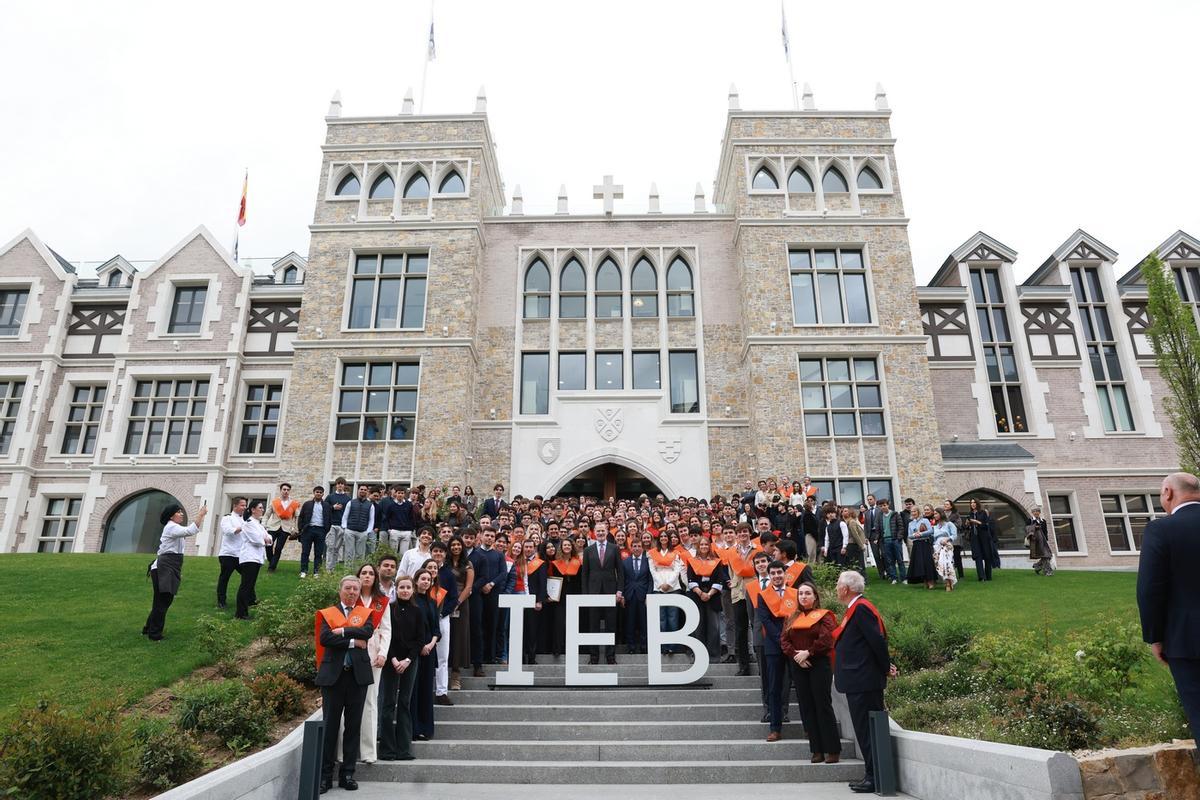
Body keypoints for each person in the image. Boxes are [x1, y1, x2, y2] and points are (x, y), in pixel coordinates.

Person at [1137, 472, 1200, 742]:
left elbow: (1150, 588)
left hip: (1187, 641)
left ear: (1168, 493)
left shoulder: (1161, 530)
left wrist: (1155, 637)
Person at [833, 570, 895, 794]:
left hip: (863, 681)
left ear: (846, 589)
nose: (836, 588)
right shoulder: (857, 608)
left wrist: (886, 667)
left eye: (838, 585)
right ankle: (872, 774)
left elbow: (877, 641)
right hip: (859, 679)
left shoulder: (860, 608)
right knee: (863, 730)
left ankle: (874, 777)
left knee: (867, 731)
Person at [314, 575, 376, 793]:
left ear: (359, 593)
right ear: (340, 590)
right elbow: (325, 639)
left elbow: (367, 633)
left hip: (357, 677)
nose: (352, 592)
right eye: (348, 588)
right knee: (330, 726)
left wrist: (342, 631)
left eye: (355, 589)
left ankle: (347, 773)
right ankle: (324, 776)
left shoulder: (365, 614)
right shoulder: (327, 614)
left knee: (353, 727)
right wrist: (352, 640)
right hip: (333, 677)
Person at [781, 581, 840, 764]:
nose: (804, 597)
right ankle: (816, 750)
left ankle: (832, 749)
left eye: (807, 593)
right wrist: (796, 656)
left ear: (815, 596)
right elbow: (784, 640)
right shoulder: (791, 617)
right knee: (807, 707)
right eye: (801, 594)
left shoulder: (824, 616)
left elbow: (827, 638)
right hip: (799, 665)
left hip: (819, 664)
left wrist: (809, 652)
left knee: (822, 705)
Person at [143, 501, 208, 640]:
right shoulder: (171, 527)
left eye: (181, 511)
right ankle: (154, 634)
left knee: (162, 601)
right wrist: (200, 515)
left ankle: (149, 628)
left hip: (168, 566)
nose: (181, 514)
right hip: (163, 567)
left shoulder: (173, 527)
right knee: (163, 601)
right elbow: (190, 531)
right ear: (171, 516)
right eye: (178, 512)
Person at [379, 575, 425, 762]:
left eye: (408, 587)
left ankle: (404, 749)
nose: (405, 590)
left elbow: (420, 639)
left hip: (410, 662)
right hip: (392, 661)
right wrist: (394, 659)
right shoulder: (389, 610)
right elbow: (386, 636)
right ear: (396, 590)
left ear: (412, 589)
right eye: (401, 587)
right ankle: (387, 750)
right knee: (388, 703)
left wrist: (407, 660)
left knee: (404, 703)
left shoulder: (417, 611)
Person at [348, 563, 390, 764]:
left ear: (375, 578)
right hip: (352, 650)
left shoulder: (382, 601)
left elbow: (387, 630)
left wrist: (383, 653)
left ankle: (368, 752)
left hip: (374, 651)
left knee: (371, 701)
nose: (367, 576)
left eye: (370, 573)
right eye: (363, 573)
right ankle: (344, 752)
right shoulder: (351, 598)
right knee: (348, 700)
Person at [756, 561, 798, 742]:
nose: (776, 576)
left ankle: (808, 728)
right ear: (769, 575)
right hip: (773, 646)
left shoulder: (796, 593)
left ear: (785, 573)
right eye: (772, 573)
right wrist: (781, 640)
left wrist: (790, 640)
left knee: (801, 687)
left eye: (779, 573)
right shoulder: (763, 595)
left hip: (796, 645)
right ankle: (775, 727)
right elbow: (765, 620)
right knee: (774, 687)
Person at [581, 525, 623, 665]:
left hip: (611, 592)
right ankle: (594, 657)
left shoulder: (615, 548)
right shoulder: (588, 550)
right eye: (598, 531)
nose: (600, 533)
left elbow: (620, 572)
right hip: (593, 593)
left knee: (611, 625)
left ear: (606, 532)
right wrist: (586, 594)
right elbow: (585, 574)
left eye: (602, 531)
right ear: (594, 533)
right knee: (593, 626)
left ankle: (610, 656)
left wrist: (619, 590)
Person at [686, 537, 727, 661]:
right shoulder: (692, 561)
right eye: (701, 544)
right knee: (698, 626)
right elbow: (691, 580)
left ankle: (714, 656)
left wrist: (709, 594)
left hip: (712, 596)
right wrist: (700, 593)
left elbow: (720, 580)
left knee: (714, 626)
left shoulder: (717, 561)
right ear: (698, 546)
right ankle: (699, 655)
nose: (704, 546)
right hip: (697, 596)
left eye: (706, 544)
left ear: (709, 546)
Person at [412, 567, 441, 741]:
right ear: (416, 581)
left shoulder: (432, 602)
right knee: (414, 690)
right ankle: (414, 728)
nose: (425, 582)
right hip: (415, 651)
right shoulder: (411, 600)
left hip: (429, 650)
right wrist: (420, 645)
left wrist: (430, 644)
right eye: (422, 579)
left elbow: (436, 629)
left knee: (426, 690)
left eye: (428, 580)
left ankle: (426, 728)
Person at [429, 545, 459, 705]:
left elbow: (454, 598)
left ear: (444, 554)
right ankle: (424, 689)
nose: (438, 554)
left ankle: (441, 691)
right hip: (424, 620)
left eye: (440, 551)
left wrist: (441, 613)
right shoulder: (423, 572)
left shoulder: (448, 574)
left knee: (442, 656)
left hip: (442, 618)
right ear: (431, 553)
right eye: (435, 551)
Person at [648, 530, 684, 657]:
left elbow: (677, 570)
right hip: (658, 589)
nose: (663, 538)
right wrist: (661, 584)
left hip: (673, 588)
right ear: (659, 539)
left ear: (669, 539)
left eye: (666, 536)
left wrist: (668, 583)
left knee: (673, 619)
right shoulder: (652, 553)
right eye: (661, 536)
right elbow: (653, 570)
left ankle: (672, 647)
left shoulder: (675, 553)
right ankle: (663, 646)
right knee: (661, 620)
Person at [446, 536, 474, 688]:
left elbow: (468, 587)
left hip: (461, 604)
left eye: (458, 544)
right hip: (444, 604)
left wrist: (456, 603)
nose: (456, 547)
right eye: (453, 544)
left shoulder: (468, 564)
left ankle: (456, 674)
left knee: (458, 637)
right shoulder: (444, 563)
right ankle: (442, 673)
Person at [236, 501, 271, 619]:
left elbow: (269, 537)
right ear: (253, 509)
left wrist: (266, 539)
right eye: (260, 508)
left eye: (262, 508)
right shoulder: (248, 523)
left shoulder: (259, 525)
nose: (262, 510)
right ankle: (241, 613)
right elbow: (256, 539)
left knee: (250, 585)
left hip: (256, 558)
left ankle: (245, 610)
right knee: (246, 586)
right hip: (249, 558)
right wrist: (264, 539)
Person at [549, 537, 583, 657]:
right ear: (561, 548)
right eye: (565, 545)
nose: (567, 547)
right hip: (560, 597)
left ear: (572, 547)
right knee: (559, 623)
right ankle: (558, 649)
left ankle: (574, 649)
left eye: (569, 545)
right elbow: (551, 580)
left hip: (575, 595)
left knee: (574, 623)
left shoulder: (578, 562)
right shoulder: (555, 563)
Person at [620, 535, 652, 654]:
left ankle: (644, 646)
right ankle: (631, 647)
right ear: (631, 548)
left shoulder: (648, 561)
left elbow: (650, 580)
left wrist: (649, 595)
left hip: (643, 596)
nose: (637, 548)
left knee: (644, 622)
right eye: (635, 546)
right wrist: (622, 595)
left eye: (639, 546)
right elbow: (622, 580)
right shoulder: (625, 562)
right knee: (630, 622)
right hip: (629, 596)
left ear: (642, 548)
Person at [216, 497, 246, 609]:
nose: (244, 507)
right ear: (235, 506)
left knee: (248, 576)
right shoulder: (227, 518)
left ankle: (251, 599)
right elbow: (228, 531)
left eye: (245, 505)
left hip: (241, 555)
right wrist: (242, 527)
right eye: (242, 505)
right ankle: (221, 601)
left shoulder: (243, 520)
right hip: (228, 554)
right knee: (224, 578)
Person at [264, 482, 300, 572]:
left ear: (290, 491)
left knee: (278, 548)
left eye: (288, 490)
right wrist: (264, 524)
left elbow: (297, 517)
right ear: (281, 490)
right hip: (273, 527)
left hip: (285, 529)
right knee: (268, 545)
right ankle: (271, 561)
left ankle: (272, 567)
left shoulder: (294, 504)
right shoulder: (274, 502)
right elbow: (267, 515)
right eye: (284, 489)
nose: (286, 491)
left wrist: (294, 528)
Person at [298, 486, 333, 578]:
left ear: (323, 494)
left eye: (321, 492)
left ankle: (316, 572)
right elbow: (301, 517)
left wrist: (326, 530)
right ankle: (303, 571)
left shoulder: (326, 505)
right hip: (308, 530)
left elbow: (329, 518)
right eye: (317, 492)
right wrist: (301, 529)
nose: (319, 493)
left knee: (318, 553)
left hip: (321, 530)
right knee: (305, 552)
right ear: (314, 493)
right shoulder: (307, 504)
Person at [341, 484, 376, 563]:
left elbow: (371, 520)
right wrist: (345, 528)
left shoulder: (370, 505)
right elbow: (345, 516)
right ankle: (348, 572)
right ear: (358, 490)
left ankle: (358, 572)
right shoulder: (350, 502)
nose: (363, 491)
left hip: (362, 532)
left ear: (367, 492)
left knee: (360, 555)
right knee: (348, 553)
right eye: (361, 489)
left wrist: (367, 531)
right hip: (350, 531)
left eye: (365, 490)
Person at [964, 498, 997, 581]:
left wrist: (977, 522)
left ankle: (988, 575)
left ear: (977, 503)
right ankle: (981, 577)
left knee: (987, 556)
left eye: (974, 502)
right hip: (974, 538)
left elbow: (987, 525)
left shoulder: (983, 513)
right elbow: (966, 528)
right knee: (977, 556)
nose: (972, 504)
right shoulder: (970, 513)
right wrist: (967, 524)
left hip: (984, 537)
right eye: (971, 503)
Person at [906, 506, 936, 589]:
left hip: (924, 543)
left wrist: (921, 534)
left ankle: (931, 581)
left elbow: (930, 531)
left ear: (918, 512)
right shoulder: (910, 523)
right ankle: (924, 581)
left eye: (915, 511)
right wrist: (914, 535)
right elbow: (909, 535)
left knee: (927, 562)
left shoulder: (925, 520)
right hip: (916, 544)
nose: (913, 513)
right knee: (919, 563)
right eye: (912, 512)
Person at [326, 478, 352, 571]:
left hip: (342, 526)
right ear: (336, 485)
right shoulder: (330, 497)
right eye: (338, 484)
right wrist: (333, 507)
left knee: (337, 548)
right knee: (330, 547)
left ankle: (332, 568)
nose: (340, 485)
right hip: (332, 525)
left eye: (342, 484)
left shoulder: (348, 499)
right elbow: (325, 509)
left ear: (344, 485)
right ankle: (328, 569)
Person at [930, 509, 958, 591]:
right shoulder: (935, 527)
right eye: (934, 514)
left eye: (936, 514)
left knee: (946, 562)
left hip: (946, 546)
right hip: (937, 546)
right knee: (940, 564)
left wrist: (947, 539)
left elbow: (954, 535)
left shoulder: (949, 524)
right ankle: (946, 581)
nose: (934, 515)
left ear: (940, 514)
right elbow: (933, 537)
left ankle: (948, 583)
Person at [1025, 505, 1054, 576]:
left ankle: (1037, 566)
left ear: (1039, 512)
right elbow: (1027, 529)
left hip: (1043, 541)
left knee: (1048, 555)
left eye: (1037, 511)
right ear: (1032, 513)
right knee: (1045, 555)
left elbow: (1045, 531)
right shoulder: (1030, 520)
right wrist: (1035, 527)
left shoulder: (1043, 521)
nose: (1036, 513)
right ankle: (1047, 572)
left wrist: (1046, 540)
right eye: (1034, 511)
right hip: (1035, 542)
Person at [942, 499, 965, 578]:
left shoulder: (956, 515)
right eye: (944, 504)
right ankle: (949, 574)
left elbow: (959, 525)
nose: (945, 506)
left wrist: (949, 523)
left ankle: (961, 574)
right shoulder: (942, 515)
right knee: (947, 557)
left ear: (951, 506)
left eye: (947, 504)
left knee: (957, 557)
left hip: (955, 539)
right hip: (945, 538)